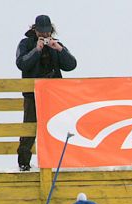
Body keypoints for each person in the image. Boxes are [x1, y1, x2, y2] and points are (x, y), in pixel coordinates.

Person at [15, 14, 77, 171]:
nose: (44, 35)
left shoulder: (56, 45)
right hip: (32, 95)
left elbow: (71, 65)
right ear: (35, 30)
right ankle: (24, 164)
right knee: (29, 129)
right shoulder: (26, 43)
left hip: (54, 95)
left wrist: (59, 49)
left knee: (57, 127)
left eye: (47, 32)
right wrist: (37, 50)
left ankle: (58, 161)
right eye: (41, 32)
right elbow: (22, 63)